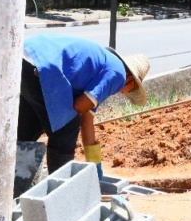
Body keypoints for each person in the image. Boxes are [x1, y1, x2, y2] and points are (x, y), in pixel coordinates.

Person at [18, 34, 150, 175]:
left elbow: (87, 121)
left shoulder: (104, 65)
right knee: (67, 126)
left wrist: (95, 165)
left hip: (24, 57)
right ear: (130, 79)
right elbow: (79, 107)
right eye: (131, 89)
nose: (124, 93)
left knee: (29, 129)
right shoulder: (119, 74)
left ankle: (15, 185)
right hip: (42, 67)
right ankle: (60, 189)